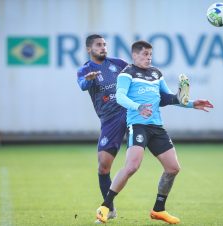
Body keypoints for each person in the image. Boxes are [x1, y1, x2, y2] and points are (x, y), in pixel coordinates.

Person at [96, 40, 213, 224]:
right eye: (144, 55)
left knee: (173, 168)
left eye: (150, 55)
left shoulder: (156, 73)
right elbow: (120, 97)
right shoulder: (127, 73)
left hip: (156, 127)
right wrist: (138, 106)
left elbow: (166, 98)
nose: (148, 58)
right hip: (138, 125)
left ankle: (159, 210)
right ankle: (105, 206)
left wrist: (190, 103)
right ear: (134, 55)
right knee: (132, 167)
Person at [77, 35, 182, 222]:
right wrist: (88, 80)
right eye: (98, 45)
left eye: (104, 44)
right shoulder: (86, 69)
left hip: (131, 112)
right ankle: (109, 208)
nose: (103, 48)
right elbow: (82, 85)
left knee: (140, 165)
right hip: (110, 118)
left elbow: (136, 72)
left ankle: (155, 208)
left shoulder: (118, 64)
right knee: (103, 165)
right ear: (89, 49)